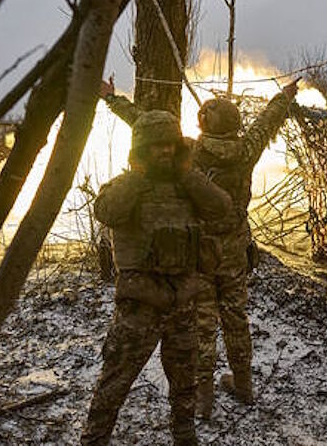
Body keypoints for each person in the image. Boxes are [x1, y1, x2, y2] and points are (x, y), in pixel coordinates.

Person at [98, 78, 298, 419]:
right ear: (235, 126)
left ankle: (204, 399)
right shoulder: (248, 149)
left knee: (203, 324)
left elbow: (144, 123)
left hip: (200, 253)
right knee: (236, 317)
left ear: (203, 125)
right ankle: (244, 385)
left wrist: (113, 99)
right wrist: (284, 96)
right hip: (235, 250)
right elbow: (268, 120)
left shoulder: (188, 150)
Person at [81, 110, 232, 446]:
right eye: (156, 146)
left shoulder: (189, 184)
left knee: (184, 381)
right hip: (140, 306)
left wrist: (188, 174)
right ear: (142, 148)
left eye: (169, 145)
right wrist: (138, 175)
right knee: (115, 381)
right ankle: (94, 439)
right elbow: (106, 211)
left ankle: (184, 434)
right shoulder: (127, 185)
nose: (164, 151)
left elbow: (221, 207)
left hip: (182, 301)